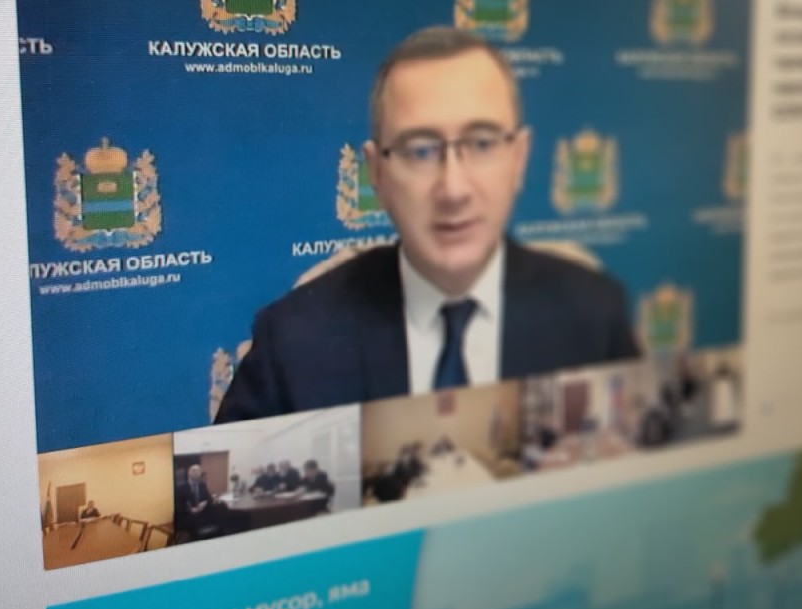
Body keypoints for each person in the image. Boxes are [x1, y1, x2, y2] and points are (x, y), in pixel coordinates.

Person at [216, 27, 639, 424]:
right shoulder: (292, 344)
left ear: (519, 158)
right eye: (420, 150)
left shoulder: (594, 317)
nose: (453, 189)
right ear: (377, 172)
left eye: (482, 143)